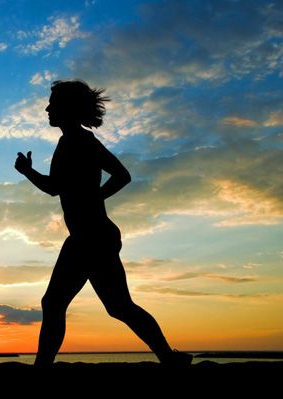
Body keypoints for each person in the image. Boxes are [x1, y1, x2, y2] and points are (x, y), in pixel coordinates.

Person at [14, 80, 192, 368]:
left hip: (93, 236)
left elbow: (122, 175)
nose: (47, 108)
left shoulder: (82, 141)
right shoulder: (67, 141)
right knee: (117, 307)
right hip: (89, 236)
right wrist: (28, 172)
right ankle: (169, 358)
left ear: (68, 108)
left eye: (53, 103)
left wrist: (94, 198)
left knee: (60, 303)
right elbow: (53, 187)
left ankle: (42, 367)